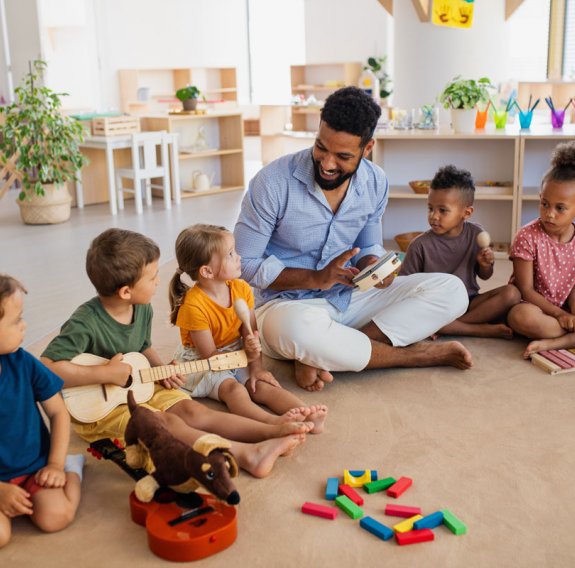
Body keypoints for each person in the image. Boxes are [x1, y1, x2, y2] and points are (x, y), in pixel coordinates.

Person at [234, 86, 473, 392]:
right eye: (321, 147)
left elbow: (370, 244)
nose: (328, 163)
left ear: (368, 147)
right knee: (298, 330)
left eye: (343, 156)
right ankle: (412, 356)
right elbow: (244, 265)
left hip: (348, 298)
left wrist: (375, 265)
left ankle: (325, 352)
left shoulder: (375, 182)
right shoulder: (272, 183)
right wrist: (315, 278)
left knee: (452, 291)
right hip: (285, 306)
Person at [40, 229, 307, 478]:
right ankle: (247, 455)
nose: (159, 282)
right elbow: (47, 367)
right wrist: (104, 373)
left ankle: (270, 430)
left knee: (194, 411)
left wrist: (160, 369)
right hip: (100, 409)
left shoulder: (141, 307)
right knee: (165, 424)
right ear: (125, 291)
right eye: (152, 277)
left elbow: (142, 345)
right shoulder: (85, 322)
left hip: (142, 383)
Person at [168, 224, 328, 433]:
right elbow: (210, 356)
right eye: (230, 254)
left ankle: (307, 413)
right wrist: (246, 355)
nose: (239, 257)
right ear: (207, 271)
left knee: (260, 384)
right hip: (206, 361)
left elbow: (249, 331)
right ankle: (272, 423)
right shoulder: (193, 306)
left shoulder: (240, 288)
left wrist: (256, 365)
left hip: (234, 350)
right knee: (234, 390)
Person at [0, 274, 82, 549]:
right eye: (15, 320)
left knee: (55, 517)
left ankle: (73, 470)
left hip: (36, 465)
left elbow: (59, 413)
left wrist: (56, 464)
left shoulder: (22, 362)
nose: (24, 326)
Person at [399, 165, 521, 339]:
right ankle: (475, 329)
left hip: (468, 301)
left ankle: (447, 327)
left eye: (442, 210)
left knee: (512, 293)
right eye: (430, 208)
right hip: (433, 307)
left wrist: (485, 264)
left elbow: (485, 276)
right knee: (406, 313)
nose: (434, 216)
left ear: (467, 212)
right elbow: (402, 288)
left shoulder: (477, 235)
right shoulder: (419, 245)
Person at [507, 142, 575, 358]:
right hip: (533, 305)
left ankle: (555, 342)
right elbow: (525, 290)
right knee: (520, 317)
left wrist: (569, 313)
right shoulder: (527, 236)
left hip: (565, 306)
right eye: (544, 204)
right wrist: (559, 314)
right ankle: (567, 338)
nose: (550, 214)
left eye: (560, 208)